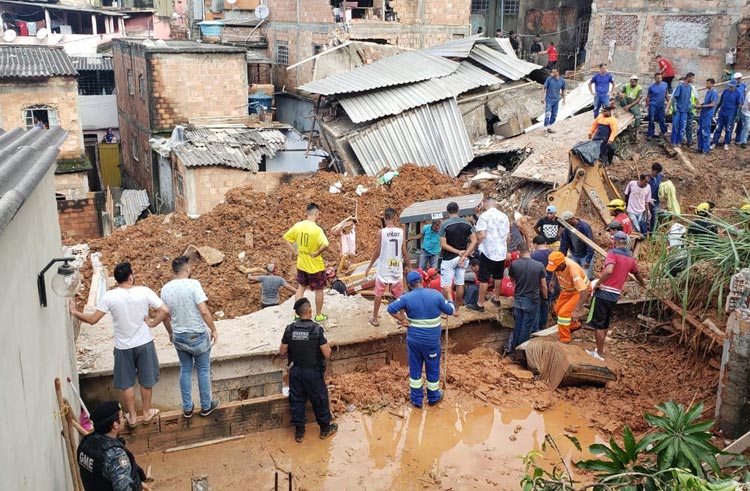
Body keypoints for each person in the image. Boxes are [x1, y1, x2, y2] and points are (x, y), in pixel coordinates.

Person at [71, 262, 168, 428]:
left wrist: (74, 312)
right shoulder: (144, 291)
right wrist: (152, 323)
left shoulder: (110, 296)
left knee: (126, 383)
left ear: (116, 279)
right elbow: (164, 310)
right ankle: (146, 413)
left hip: (123, 347)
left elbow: (93, 320)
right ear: (130, 276)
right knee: (146, 380)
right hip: (144, 343)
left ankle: (131, 417)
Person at [160, 256, 219, 418]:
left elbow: (164, 315)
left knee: (185, 369)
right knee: (203, 369)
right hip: (198, 335)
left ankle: (187, 408)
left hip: (179, 336)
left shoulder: (165, 289)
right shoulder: (194, 285)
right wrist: (213, 329)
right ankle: (206, 406)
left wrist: (170, 332)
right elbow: (204, 311)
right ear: (187, 269)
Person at [387, 271, 455, 408]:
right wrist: (448, 294)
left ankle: (417, 399)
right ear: (422, 281)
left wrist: (403, 319)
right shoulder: (435, 294)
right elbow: (450, 310)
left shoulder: (406, 298)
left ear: (409, 285)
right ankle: (433, 396)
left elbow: (391, 308)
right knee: (432, 367)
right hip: (431, 342)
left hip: (414, 341)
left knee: (415, 369)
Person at [279, 298, 337, 443]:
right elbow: (327, 354)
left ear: (298, 314)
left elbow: (282, 351)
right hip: (313, 372)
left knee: (297, 400)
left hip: (296, 371)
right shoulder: (316, 330)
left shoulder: (290, 329)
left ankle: (299, 432)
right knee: (319, 399)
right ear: (309, 311)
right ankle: (325, 429)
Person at [585, 231, 646, 361]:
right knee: (605, 323)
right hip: (614, 296)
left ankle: (599, 354)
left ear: (615, 242)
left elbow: (609, 270)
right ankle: (600, 349)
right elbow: (637, 273)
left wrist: (598, 284)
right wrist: (643, 284)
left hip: (603, 293)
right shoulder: (630, 258)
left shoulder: (612, 253)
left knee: (598, 325)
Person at [77, 401, 147, 491]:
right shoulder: (116, 456)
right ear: (115, 425)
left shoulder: (86, 443)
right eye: (122, 416)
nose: (124, 419)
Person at [283, 203, 330, 322]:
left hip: (301, 264)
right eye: (318, 214)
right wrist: (317, 252)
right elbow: (326, 244)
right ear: (316, 213)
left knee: (301, 288)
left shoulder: (298, 226)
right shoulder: (317, 230)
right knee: (319, 290)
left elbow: (286, 238)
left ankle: (298, 314)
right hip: (315, 266)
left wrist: (294, 251)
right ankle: (318, 315)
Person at [365, 207, 409, 326]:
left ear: (384, 217)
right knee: (399, 295)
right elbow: (404, 251)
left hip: (384, 266)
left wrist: (369, 266)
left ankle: (374, 318)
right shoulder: (401, 232)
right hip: (396, 266)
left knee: (378, 293)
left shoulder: (381, 232)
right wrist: (409, 265)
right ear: (394, 217)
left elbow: (377, 251)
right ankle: (403, 318)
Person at [467, 198, 509, 312]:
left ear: (485, 205)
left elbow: (481, 235)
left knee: (484, 278)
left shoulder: (484, 216)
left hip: (488, 251)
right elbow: (507, 236)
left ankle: (480, 304)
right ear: (495, 204)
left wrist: (476, 246)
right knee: (498, 276)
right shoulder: (504, 216)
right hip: (501, 251)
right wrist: (505, 248)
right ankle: (496, 298)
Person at [505, 243, 547, 353]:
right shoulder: (539, 265)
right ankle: (520, 351)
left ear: (519, 252)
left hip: (518, 299)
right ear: (529, 251)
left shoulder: (514, 265)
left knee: (518, 323)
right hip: (532, 299)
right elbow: (543, 285)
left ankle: (514, 348)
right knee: (526, 326)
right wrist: (545, 297)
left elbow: (512, 280)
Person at [439, 201, 477, 317]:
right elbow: (474, 240)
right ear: (458, 210)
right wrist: (464, 254)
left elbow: (443, 245)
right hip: (462, 259)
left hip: (449, 258)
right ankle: (456, 310)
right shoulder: (467, 224)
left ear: (447, 211)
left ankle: (445, 312)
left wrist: (457, 252)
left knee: (446, 284)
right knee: (460, 283)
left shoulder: (445, 225)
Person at [547, 251, 591, 344]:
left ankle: (565, 339)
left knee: (563, 314)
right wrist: (553, 281)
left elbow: (583, 291)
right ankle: (574, 325)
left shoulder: (573, 270)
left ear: (562, 264)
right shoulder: (559, 265)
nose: (555, 269)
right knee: (557, 309)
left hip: (578, 292)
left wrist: (576, 310)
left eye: (556, 267)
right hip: (567, 290)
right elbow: (555, 270)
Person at [558, 211, 595, 280]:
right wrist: (561, 257)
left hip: (585, 255)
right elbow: (564, 244)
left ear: (572, 219)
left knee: (587, 277)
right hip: (575, 254)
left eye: (566, 222)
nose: (565, 224)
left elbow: (590, 244)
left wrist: (588, 260)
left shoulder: (584, 227)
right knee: (575, 276)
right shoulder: (567, 229)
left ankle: (589, 289)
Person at [531, 235, 554, 332]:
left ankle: (536, 328)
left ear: (535, 244)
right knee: (546, 304)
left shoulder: (533, 255)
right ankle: (543, 326)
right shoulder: (553, 254)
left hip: (538, 283)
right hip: (552, 282)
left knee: (537, 305)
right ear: (545, 243)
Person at [712, 80, 742, 151]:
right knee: (718, 128)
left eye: (732, 87)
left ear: (735, 87)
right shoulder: (725, 91)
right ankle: (714, 142)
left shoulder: (738, 93)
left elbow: (739, 104)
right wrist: (715, 110)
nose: (730, 88)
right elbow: (720, 101)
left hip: (731, 114)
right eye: (729, 86)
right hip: (722, 113)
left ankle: (726, 143)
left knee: (728, 129)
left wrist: (738, 115)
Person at [669, 72, 695, 146]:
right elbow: (674, 98)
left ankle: (679, 141)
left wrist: (690, 108)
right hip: (678, 110)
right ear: (688, 77)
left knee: (682, 127)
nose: (692, 79)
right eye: (692, 78)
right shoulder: (680, 86)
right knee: (675, 126)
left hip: (685, 110)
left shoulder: (690, 88)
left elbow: (689, 99)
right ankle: (673, 141)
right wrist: (674, 108)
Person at [542, 68, 566, 134]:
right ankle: (545, 129)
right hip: (549, 100)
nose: (552, 73)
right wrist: (543, 98)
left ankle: (549, 127)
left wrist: (564, 99)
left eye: (554, 72)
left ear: (558, 72)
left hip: (556, 100)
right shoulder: (549, 79)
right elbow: (544, 88)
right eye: (552, 72)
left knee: (554, 115)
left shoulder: (562, 81)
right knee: (547, 114)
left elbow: (563, 90)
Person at [697, 78, 718, 155]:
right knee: (699, 131)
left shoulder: (714, 92)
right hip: (703, 113)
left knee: (705, 132)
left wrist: (702, 106)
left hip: (708, 114)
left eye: (708, 84)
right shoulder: (708, 92)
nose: (706, 85)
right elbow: (706, 102)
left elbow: (712, 104)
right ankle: (700, 148)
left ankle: (706, 150)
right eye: (706, 83)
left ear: (712, 84)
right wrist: (700, 105)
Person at [646, 73, 669, 139]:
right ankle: (650, 134)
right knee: (651, 119)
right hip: (653, 105)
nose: (659, 79)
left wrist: (668, 102)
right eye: (657, 78)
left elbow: (666, 94)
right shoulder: (651, 87)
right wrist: (647, 105)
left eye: (660, 78)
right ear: (655, 78)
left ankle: (664, 132)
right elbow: (648, 97)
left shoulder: (665, 85)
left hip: (661, 106)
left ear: (662, 78)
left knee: (662, 119)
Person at [648, 163, 663, 232]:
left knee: (655, 218)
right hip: (647, 202)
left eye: (658, 173)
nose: (657, 174)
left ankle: (653, 234)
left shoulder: (659, 176)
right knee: (646, 219)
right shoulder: (647, 179)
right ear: (652, 170)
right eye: (656, 172)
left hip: (656, 202)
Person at [733, 73, 747, 144]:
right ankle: (728, 139)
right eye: (737, 78)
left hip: (741, 106)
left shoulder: (743, 85)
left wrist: (744, 103)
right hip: (734, 106)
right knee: (732, 122)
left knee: (740, 122)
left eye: (739, 78)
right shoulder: (732, 86)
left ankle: (738, 139)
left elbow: (744, 94)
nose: (739, 80)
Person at [739, 85, 750, 149]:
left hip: (746, 112)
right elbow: (749, 106)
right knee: (746, 127)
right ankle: (743, 142)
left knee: (746, 127)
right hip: (747, 113)